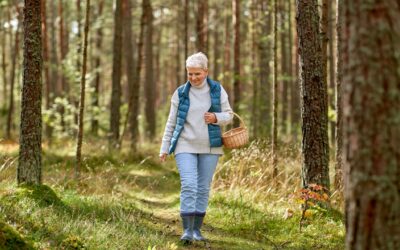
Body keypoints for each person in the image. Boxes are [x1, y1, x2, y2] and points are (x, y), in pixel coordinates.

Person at [159, 52, 233, 243]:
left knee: (202, 188)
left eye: (197, 74)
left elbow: (229, 115)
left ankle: (196, 231)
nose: (192, 78)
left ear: (206, 71)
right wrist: (165, 147)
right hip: (185, 145)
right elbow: (171, 122)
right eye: (189, 74)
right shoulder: (180, 93)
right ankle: (186, 231)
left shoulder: (217, 90)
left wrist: (216, 118)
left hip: (210, 147)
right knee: (189, 185)